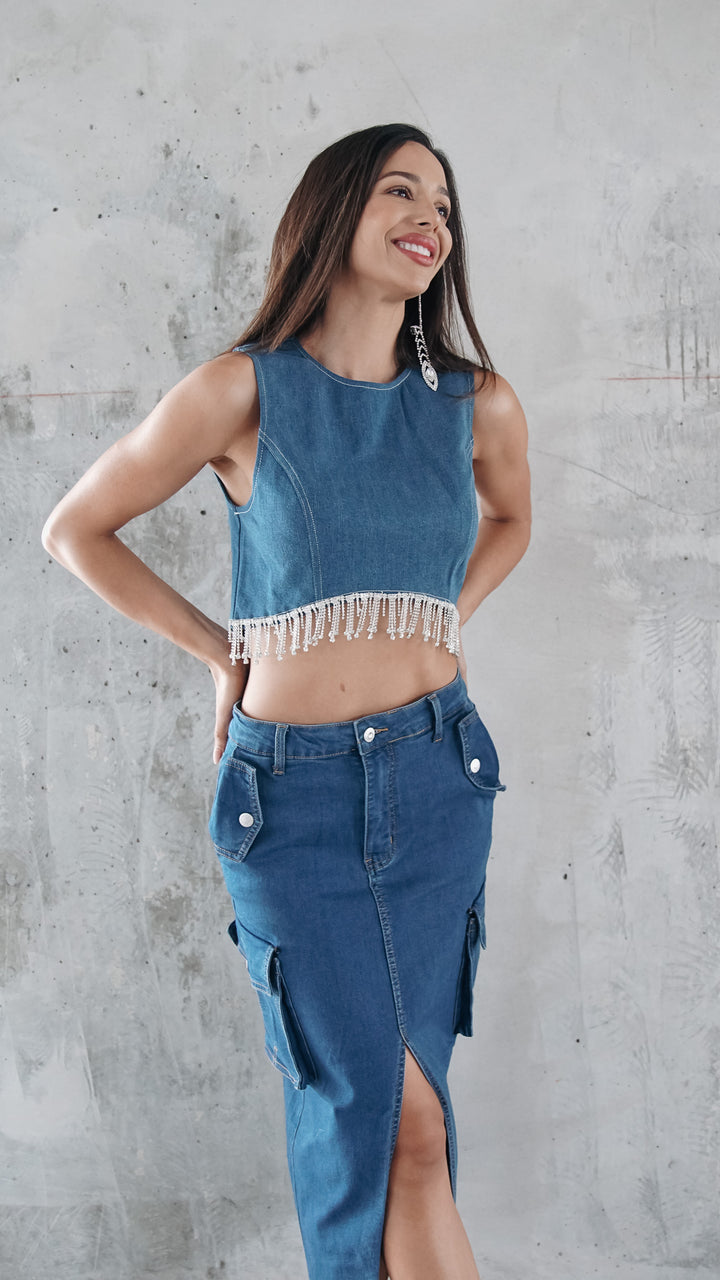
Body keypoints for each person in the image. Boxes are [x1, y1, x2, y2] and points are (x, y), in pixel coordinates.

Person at [42, 122, 531, 1280]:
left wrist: (441, 613)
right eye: (401, 191)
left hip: (438, 782)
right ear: (334, 211)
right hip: (293, 800)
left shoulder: (476, 403)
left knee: (418, 1129)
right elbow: (76, 529)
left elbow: (514, 519)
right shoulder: (240, 389)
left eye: (444, 204)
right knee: (374, 1123)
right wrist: (223, 655)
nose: (430, 218)